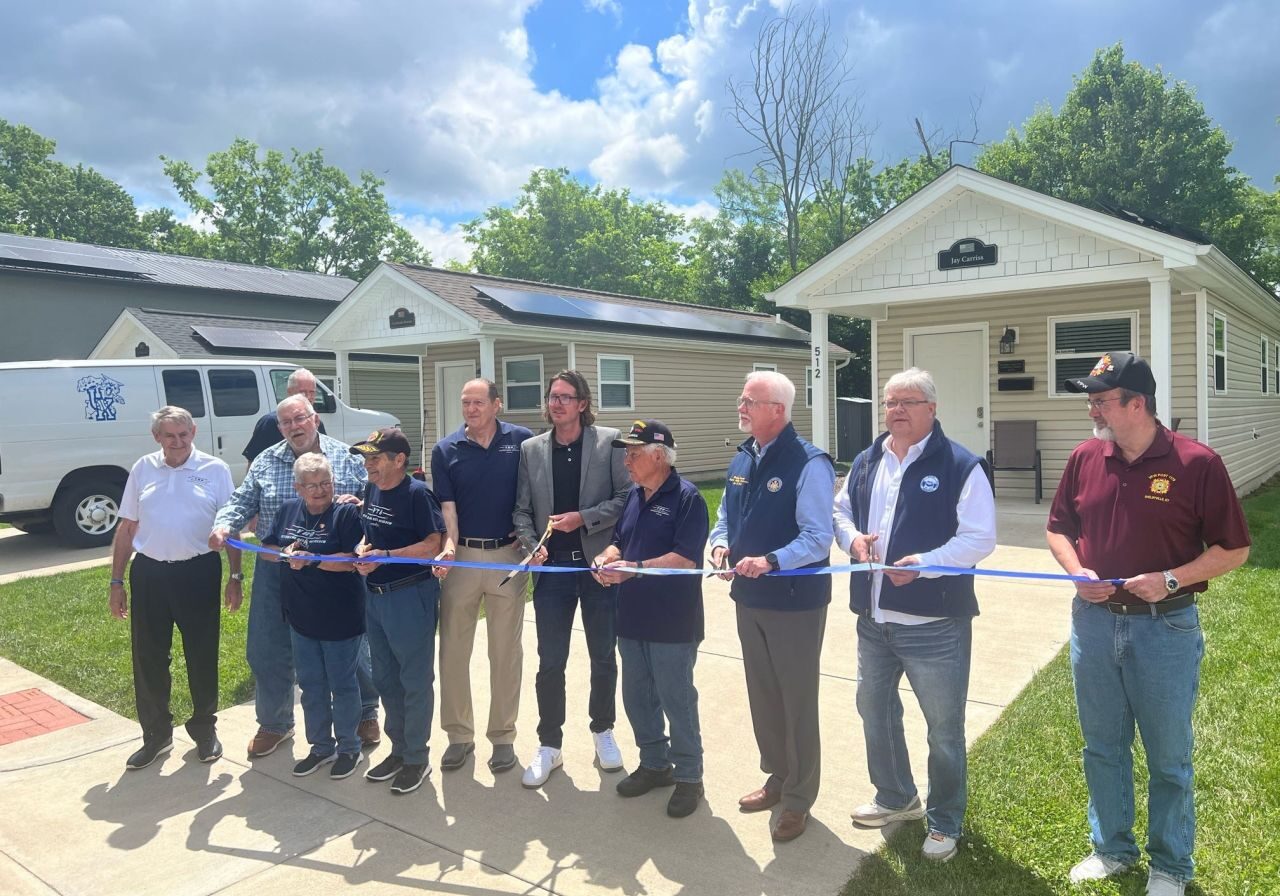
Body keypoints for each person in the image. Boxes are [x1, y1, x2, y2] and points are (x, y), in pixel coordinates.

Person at [1047, 351, 1250, 896]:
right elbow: (1059, 528)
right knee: (1101, 746)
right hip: (1093, 621)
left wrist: (1171, 579)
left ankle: (1170, 866)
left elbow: (1234, 549)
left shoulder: (1196, 463)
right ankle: (1111, 847)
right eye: (1091, 398)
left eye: (1103, 399)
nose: (1093, 408)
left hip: (1165, 627)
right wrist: (1075, 570)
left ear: (1138, 403)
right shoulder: (1086, 457)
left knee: (1168, 755)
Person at [835, 367, 996, 863]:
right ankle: (896, 796)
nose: (896, 410)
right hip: (874, 619)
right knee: (875, 712)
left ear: (932, 408)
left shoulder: (961, 465)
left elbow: (979, 539)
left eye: (908, 401)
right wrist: (852, 540)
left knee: (943, 729)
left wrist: (925, 567)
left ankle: (945, 821)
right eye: (889, 402)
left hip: (935, 626)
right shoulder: (867, 460)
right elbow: (838, 513)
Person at [209, 394, 381, 759]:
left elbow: (377, 496)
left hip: (338, 571)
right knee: (267, 647)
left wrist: (364, 505)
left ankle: (365, 713)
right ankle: (275, 722)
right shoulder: (265, 462)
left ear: (314, 418)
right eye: (285, 422)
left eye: (299, 419)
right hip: (278, 570)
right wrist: (224, 525)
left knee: (354, 645)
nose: (293, 427)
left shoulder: (346, 456)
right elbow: (242, 501)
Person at [709, 370, 835, 842]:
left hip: (794, 602)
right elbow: (725, 515)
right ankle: (778, 777)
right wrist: (720, 545)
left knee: (797, 699)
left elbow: (819, 537)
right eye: (742, 399)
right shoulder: (743, 457)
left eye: (750, 401)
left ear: (778, 411)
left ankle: (799, 799)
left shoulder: (809, 463)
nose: (741, 407)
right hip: (749, 597)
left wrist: (773, 561)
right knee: (763, 693)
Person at [513, 369, 628, 789]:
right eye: (551, 397)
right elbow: (521, 510)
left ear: (582, 403)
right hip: (553, 571)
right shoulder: (530, 449)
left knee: (603, 655)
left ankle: (603, 731)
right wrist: (531, 545)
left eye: (565, 397)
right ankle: (550, 744)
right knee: (551, 662)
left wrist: (584, 518)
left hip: (597, 568)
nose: (556, 403)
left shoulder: (610, 442)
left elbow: (625, 500)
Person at [109, 406, 238, 769]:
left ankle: (204, 729)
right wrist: (116, 582)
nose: (178, 442)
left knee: (201, 654)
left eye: (184, 435)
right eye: (170, 436)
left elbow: (231, 525)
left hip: (198, 572)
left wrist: (235, 576)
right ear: (157, 438)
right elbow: (127, 528)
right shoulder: (143, 468)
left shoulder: (215, 469)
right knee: (148, 656)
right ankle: (156, 735)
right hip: (149, 573)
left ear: (193, 432)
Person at [593, 420, 708, 819]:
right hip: (632, 616)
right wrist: (608, 556)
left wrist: (633, 568)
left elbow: (685, 559)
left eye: (634, 453)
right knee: (637, 697)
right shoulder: (634, 495)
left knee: (676, 699)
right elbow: (620, 540)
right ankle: (655, 765)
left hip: (672, 620)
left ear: (659, 456)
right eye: (626, 452)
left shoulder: (688, 498)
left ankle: (690, 777)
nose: (627, 460)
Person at [430, 378, 533, 774]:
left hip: (509, 558)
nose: (470, 409)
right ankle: (459, 736)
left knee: (505, 653)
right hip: (464, 559)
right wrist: (450, 546)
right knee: (454, 650)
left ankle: (503, 737)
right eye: (465, 402)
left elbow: (534, 492)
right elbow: (448, 509)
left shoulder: (522, 442)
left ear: (496, 405)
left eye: (477, 402)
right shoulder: (446, 449)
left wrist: (528, 538)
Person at [351, 427, 447, 795]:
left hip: (410, 596)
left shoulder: (417, 494)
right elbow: (368, 532)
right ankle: (399, 749)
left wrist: (386, 557)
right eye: (366, 458)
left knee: (414, 680)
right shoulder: (371, 488)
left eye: (375, 458)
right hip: (374, 595)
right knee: (386, 679)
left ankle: (417, 759)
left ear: (399, 460)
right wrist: (364, 552)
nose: (368, 465)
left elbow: (431, 545)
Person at [261, 453, 368, 781]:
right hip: (301, 617)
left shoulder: (347, 513)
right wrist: (285, 553)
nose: (320, 491)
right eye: (311, 486)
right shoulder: (287, 511)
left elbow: (353, 560)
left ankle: (350, 748)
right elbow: (265, 549)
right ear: (298, 488)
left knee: (343, 684)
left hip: (341, 617)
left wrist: (312, 559)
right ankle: (321, 746)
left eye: (326, 483)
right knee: (311, 686)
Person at [242, 368, 326, 465]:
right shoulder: (269, 422)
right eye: (303, 392)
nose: (308, 396)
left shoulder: (316, 422)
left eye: (312, 392)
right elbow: (253, 461)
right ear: (289, 392)